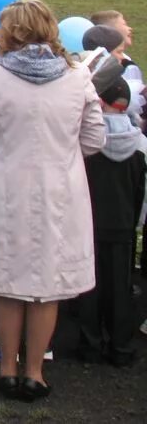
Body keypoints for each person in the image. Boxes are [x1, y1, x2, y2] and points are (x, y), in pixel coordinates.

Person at [0, 0, 105, 401]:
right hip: (60, 188)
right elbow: (95, 138)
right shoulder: (78, 77)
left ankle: (10, 366)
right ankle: (33, 371)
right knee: (44, 283)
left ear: (12, 32)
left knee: (10, 279)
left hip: (7, 186)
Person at [75, 49, 145, 367]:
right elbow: (140, 194)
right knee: (120, 285)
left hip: (89, 223)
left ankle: (89, 343)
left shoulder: (88, 142)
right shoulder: (139, 148)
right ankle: (121, 346)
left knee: (89, 285)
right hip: (123, 225)